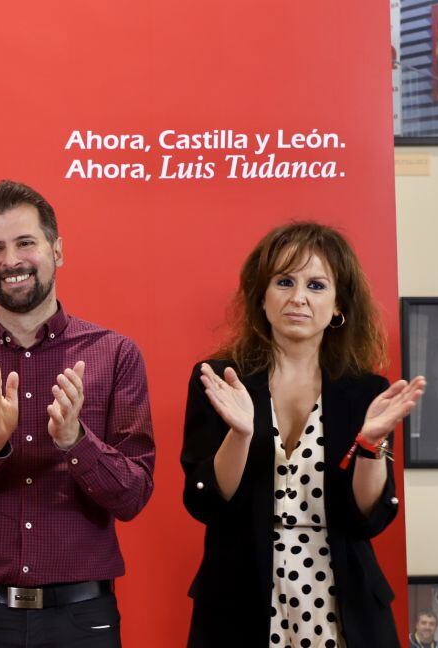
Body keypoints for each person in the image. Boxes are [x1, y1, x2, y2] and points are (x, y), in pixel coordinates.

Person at [0, 180, 155, 647]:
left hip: (82, 621)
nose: (11, 261)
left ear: (56, 250)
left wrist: (75, 441)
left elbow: (134, 496)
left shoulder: (115, 355)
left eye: (25, 243)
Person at [180, 222, 425, 647]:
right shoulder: (221, 379)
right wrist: (240, 434)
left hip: (341, 602)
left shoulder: (366, 391)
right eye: (284, 282)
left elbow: (367, 518)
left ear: (338, 304)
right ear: (261, 295)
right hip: (238, 603)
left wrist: (370, 446)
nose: (298, 298)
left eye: (316, 285)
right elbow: (206, 503)